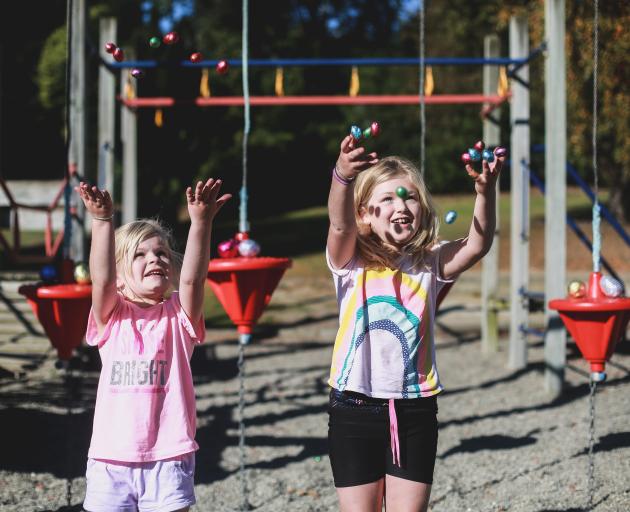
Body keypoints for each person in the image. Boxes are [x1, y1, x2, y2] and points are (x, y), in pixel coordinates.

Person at [326, 135, 504, 512]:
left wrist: (485, 192)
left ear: (421, 209)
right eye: (387, 198)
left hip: (414, 411)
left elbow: (477, 244)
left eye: (408, 197)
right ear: (364, 214)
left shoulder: (430, 263)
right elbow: (339, 227)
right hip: (353, 410)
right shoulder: (349, 262)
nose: (401, 205)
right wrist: (342, 176)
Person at [76, 178, 231, 512]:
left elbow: (193, 278)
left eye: (161, 252)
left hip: (169, 455)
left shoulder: (178, 315)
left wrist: (201, 222)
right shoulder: (111, 317)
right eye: (140, 255)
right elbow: (100, 280)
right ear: (120, 275)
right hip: (111, 457)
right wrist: (103, 221)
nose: (155, 259)